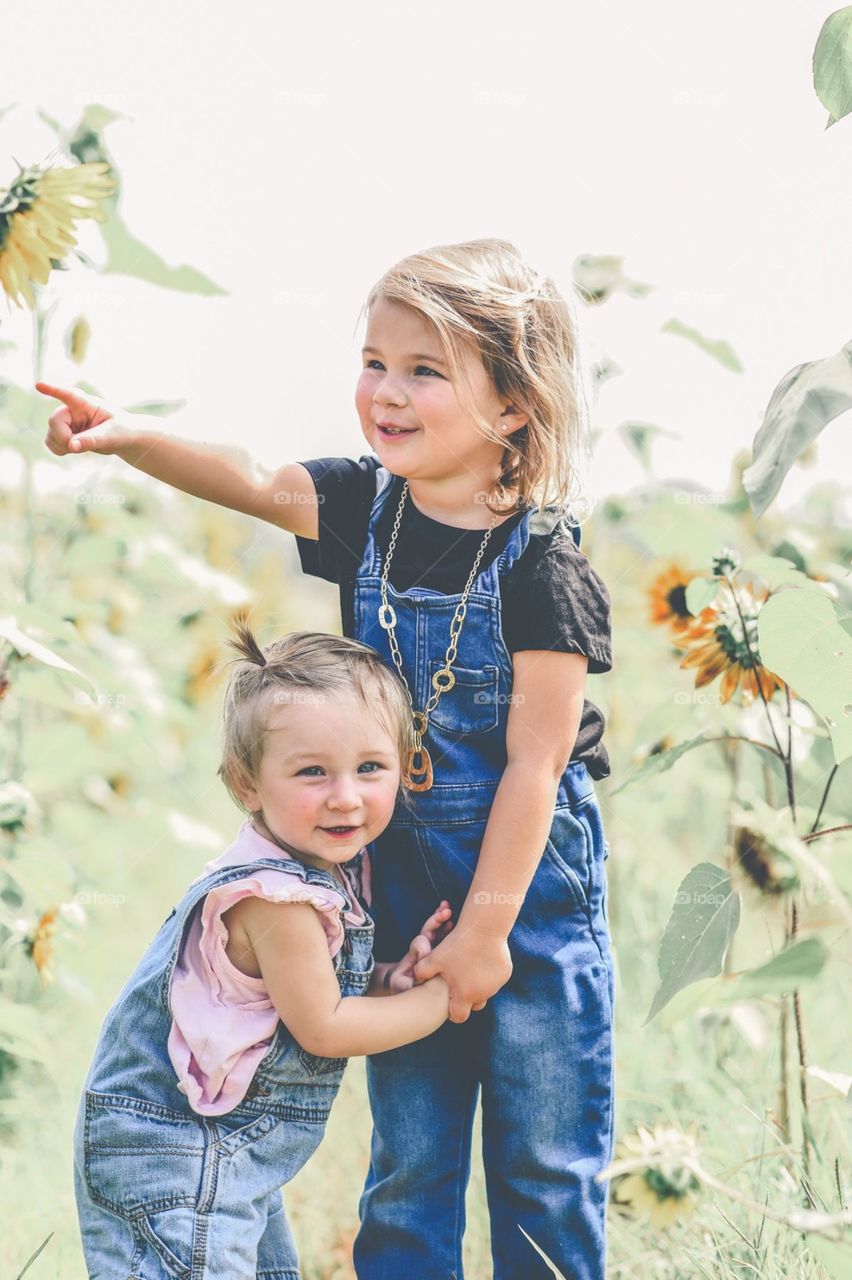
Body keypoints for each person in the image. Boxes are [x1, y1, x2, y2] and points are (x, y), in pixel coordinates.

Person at [40, 235, 616, 1279]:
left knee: (543, 1157)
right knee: (412, 1155)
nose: (384, 393)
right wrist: (127, 438)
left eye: (424, 370)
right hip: (399, 890)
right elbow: (252, 478)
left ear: (516, 405)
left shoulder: (547, 571)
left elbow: (534, 769)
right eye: (375, 362)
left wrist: (487, 937)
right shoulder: (364, 512)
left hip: (528, 901)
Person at [71, 620, 453, 1279]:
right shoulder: (276, 899)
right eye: (312, 772)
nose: (345, 796)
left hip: (223, 1147)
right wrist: (444, 997)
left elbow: (307, 992)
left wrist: (396, 976)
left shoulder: (318, 865)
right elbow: (325, 1024)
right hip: (175, 1151)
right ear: (246, 785)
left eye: (369, 768)